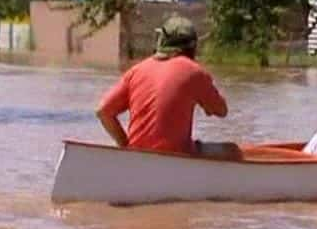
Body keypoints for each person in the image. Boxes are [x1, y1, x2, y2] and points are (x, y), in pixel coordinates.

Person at [96, 15, 242, 160]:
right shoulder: (194, 71)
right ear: (192, 47)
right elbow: (222, 111)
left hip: (138, 154)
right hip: (178, 155)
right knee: (233, 150)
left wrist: (125, 147)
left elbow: (103, 112)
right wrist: (207, 105)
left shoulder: (137, 70)